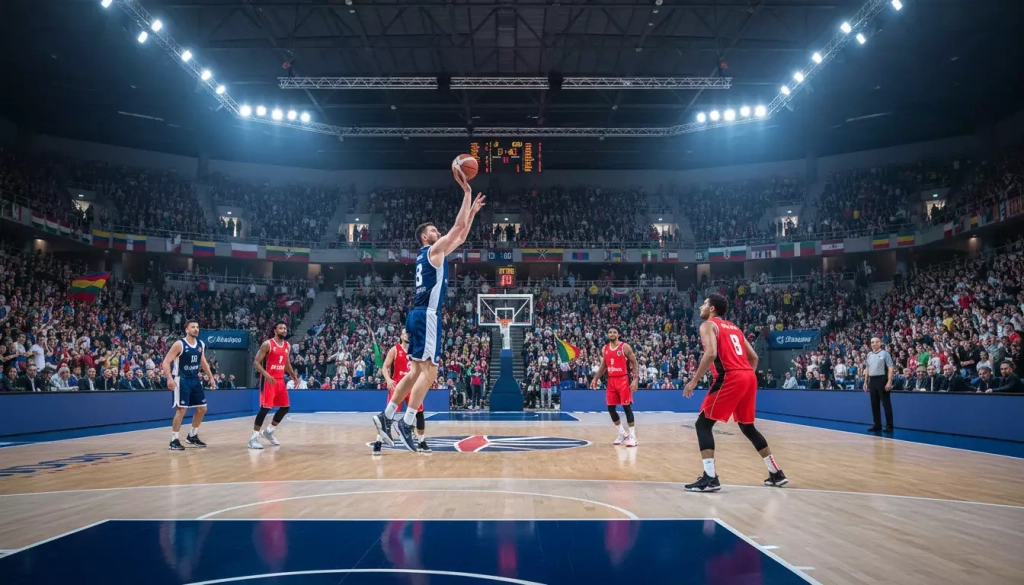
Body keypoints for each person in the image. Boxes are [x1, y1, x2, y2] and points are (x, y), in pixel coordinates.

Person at [373, 164, 486, 452]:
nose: (439, 231)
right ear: (425, 237)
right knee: (431, 373)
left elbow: (460, 236)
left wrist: (471, 213)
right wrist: (467, 192)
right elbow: (457, 230)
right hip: (428, 316)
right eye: (434, 230)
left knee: (412, 373)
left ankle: (386, 417)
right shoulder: (434, 251)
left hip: (415, 315)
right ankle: (407, 421)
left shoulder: (429, 255)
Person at [682, 294, 787, 492]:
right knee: (748, 427)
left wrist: (694, 381)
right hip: (748, 376)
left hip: (730, 376)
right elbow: (754, 357)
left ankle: (710, 477)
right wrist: (745, 377)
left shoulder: (707, 325)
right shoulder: (735, 328)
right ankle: (776, 473)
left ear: (712, 309)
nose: (701, 308)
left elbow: (711, 353)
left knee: (703, 424)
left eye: (704, 304)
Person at [372, 330, 429, 455]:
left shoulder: (416, 350)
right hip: (398, 385)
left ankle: (421, 441)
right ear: (401, 336)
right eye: (405, 333)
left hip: (412, 387)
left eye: (409, 333)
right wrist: (388, 379)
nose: (407, 335)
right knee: (388, 415)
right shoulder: (395, 350)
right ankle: (378, 442)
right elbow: (385, 366)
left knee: (419, 413)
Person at [162, 321, 215, 451]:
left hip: (195, 380)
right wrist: (169, 378)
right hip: (182, 380)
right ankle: (174, 439)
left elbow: (203, 362)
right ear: (186, 329)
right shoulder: (179, 344)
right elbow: (166, 362)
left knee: (203, 408)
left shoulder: (200, 344)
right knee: (181, 410)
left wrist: (211, 377)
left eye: (197, 327)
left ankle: (192, 435)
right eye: (193, 327)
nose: (196, 329)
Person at [250, 321, 298, 449]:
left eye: (285, 328)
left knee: (285, 407)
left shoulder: (287, 345)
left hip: (280, 380)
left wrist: (294, 377)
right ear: (275, 331)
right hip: (268, 380)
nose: (284, 330)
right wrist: (267, 375)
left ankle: (269, 431)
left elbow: (286, 364)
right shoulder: (268, 344)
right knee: (265, 408)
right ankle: (253, 438)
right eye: (281, 328)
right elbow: (256, 362)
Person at [590, 326, 639, 447]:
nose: (612, 334)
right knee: (611, 408)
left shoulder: (625, 347)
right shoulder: (605, 348)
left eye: (614, 332)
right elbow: (603, 366)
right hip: (611, 380)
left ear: (618, 335)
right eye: (610, 332)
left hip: (623, 379)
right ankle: (622, 433)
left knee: (626, 407)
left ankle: (633, 437)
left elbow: (634, 362)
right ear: (607, 335)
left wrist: (635, 379)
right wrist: (595, 378)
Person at [863, 337, 895, 433]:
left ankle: (889, 425)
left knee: (886, 404)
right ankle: (877, 424)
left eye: (876, 342)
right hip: (872, 380)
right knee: (874, 404)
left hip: (882, 379)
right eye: (872, 342)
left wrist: (889, 381)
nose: (874, 344)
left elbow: (890, 367)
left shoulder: (885, 353)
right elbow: (867, 368)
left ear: (880, 343)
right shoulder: (869, 354)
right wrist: (865, 381)